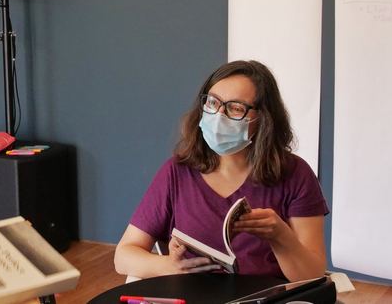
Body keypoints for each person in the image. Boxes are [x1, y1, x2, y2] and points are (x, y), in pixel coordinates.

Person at [114, 60, 328, 282]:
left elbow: (311, 275)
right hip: (192, 294)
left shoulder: (296, 174)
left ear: (263, 118)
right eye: (212, 102)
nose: (219, 115)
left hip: (265, 295)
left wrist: (281, 237)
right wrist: (170, 266)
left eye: (236, 108)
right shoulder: (177, 172)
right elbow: (123, 256)